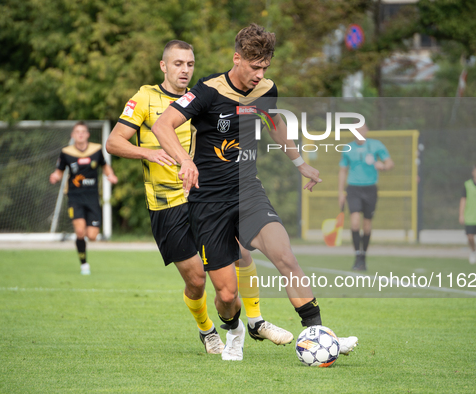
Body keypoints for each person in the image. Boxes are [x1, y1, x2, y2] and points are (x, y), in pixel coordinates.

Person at [152, 24, 358, 361]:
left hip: (248, 192)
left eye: (265, 68)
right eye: (254, 67)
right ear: (237, 58)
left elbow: (274, 124)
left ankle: (320, 334)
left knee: (286, 258)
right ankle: (234, 331)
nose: (259, 74)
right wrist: (185, 161)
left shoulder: (266, 89)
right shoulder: (206, 90)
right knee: (227, 293)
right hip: (208, 203)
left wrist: (301, 163)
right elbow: (162, 125)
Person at [105, 40, 293, 355]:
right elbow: (113, 142)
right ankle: (207, 330)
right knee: (196, 280)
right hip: (168, 205)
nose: (184, 70)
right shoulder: (145, 99)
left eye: (189, 64)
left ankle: (256, 321)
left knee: (242, 254)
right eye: (177, 64)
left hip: (206, 198)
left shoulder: (204, 95)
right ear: (163, 66)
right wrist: (149, 154)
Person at [49, 122, 118, 275]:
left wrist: (110, 175)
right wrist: (55, 176)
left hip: (92, 198)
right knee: (80, 232)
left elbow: (105, 166)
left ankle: (86, 242)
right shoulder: (66, 152)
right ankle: (84, 264)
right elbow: (59, 171)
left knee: (92, 236)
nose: (80, 134)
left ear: (87, 134)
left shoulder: (96, 150)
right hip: (75, 197)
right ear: (73, 135)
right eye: (77, 132)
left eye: (83, 132)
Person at [338, 124, 394, 271]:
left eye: (362, 129)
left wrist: (384, 166)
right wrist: (340, 192)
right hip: (354, 188)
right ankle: (357, 256)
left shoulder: (376, 145)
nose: (359, 132)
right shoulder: (347, 148)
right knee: (355, 222)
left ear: (367, 130)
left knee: (367, 225)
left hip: (370, 189)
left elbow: (389, 163)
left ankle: (364, 257)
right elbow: (343, 171)